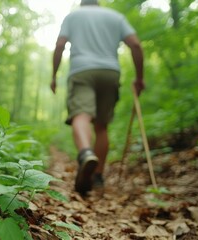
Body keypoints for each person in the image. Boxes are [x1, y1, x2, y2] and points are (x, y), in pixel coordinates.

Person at [51, 0, 145, 195]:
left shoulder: (73, 16)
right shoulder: (116, 17)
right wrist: (139, 78)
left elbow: (60, 44)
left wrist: (53, 75)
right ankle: (98, 177)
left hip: (81, 70)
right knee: (101, 126)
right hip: (110, 71)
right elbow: (135, 44)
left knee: (81, 115)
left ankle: (86, 153)